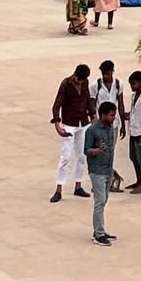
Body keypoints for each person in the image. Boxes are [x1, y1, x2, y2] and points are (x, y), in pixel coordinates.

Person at [50, 63, 95, 203]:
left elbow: (87, 98)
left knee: (81, 155)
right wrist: (57, 124)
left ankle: (78, 185)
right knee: (66, 156)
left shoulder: (85, 82)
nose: (79, 81)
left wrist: (92, 115)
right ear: (74, 74)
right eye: (78, 78)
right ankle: (59, 188)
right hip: (69, 123)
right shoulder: (66, 84)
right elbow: (57, 104)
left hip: (83, 122)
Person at [85, 101, 119, 246]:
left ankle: (99, 229)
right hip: (97, 171)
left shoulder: (110, 129)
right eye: (111, 115)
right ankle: (98, 234)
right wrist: (96, 151)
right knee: (99, 201)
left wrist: (113, 170)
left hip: (107, 169)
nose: (113, 118)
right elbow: (86, 150)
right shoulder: (92, 130)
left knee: (104, 200)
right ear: (103, 115)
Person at [91, 59, 127, 191]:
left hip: (114, 123)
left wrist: (123, 124)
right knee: (101, 152)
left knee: (110, 151)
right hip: (100, 124)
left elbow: (121, 104)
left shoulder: (118, 84)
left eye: (108, 74)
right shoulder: (95, 86)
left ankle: (110, 179)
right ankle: (109, 177)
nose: (106, 76)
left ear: (112, 72)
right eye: (104, 74)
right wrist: (93, 121)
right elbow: (92, 104)